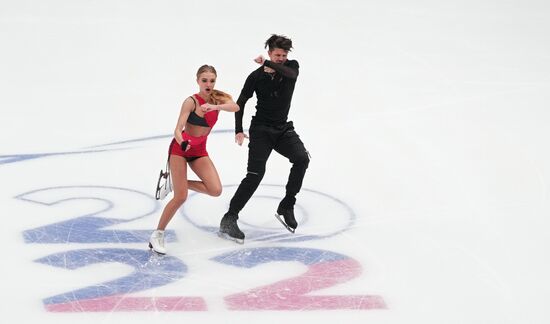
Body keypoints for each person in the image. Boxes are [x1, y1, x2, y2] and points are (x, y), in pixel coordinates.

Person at [218, 34, 310, 243]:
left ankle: (286, 205)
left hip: (282, 129)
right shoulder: (256, 77)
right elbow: (240, 103)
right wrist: (238, 130)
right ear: (270, 52)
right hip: (260, 130)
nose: (281, 58)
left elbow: (290, 75)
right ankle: (229, 217)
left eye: (283, 55)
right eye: (277, 54)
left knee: (302, 159)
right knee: (255, 174)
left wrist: (269, 64)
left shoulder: (291, 67)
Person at [149, 65, 239, 254]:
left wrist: (215, 106)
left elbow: (235, 106)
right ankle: (157, 234)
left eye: (212, 80)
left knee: (215, 190)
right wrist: (182, 143)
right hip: (180, 149)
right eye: (204, 80)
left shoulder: (218, 98)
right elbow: (177, 129)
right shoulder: (190, 101)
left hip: (199, 151)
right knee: (181, 197)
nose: (208, 84)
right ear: (197, 81)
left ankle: (177, 183)